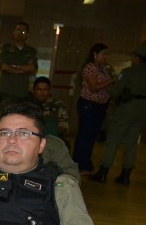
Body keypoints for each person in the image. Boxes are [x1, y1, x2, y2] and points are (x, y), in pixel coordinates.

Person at [92, 42, 146, 185]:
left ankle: (103, 172)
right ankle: (126, 175)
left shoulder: (128, 72)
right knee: (132, 141)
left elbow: (115, 92)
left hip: (127, 108)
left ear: (138, 58)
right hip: (143, 110)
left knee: (114, 139)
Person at [72, 43, 115, 174]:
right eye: (103, 54)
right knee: (85, 135)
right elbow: (93, 87)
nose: (105, 57)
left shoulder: (103, 69)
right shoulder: (90, 68)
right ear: (95, 55)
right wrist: (112, 80)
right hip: (89, 105)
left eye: (107, 54)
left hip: (99, 107)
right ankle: (78, 164)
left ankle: (86, 163)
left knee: (91, 136)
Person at [0, 21, 37, 99]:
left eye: (23, 30)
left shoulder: (31, 51)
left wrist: (12, 66)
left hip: (22, 92)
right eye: (18, 30)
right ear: (13, 33)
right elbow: (4, 66)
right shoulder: (6, 48)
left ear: (28, 35)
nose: (20, 32)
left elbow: (31, 68)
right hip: (5, 90)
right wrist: (23, 69)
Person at [26, 76, 70, 140]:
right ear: (33, 90)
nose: (42, 93)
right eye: (39, 89)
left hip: (51, 137)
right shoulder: (27, 104)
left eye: (45, 90)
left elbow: (64, 126)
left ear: (49, 91)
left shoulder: (57, 104)